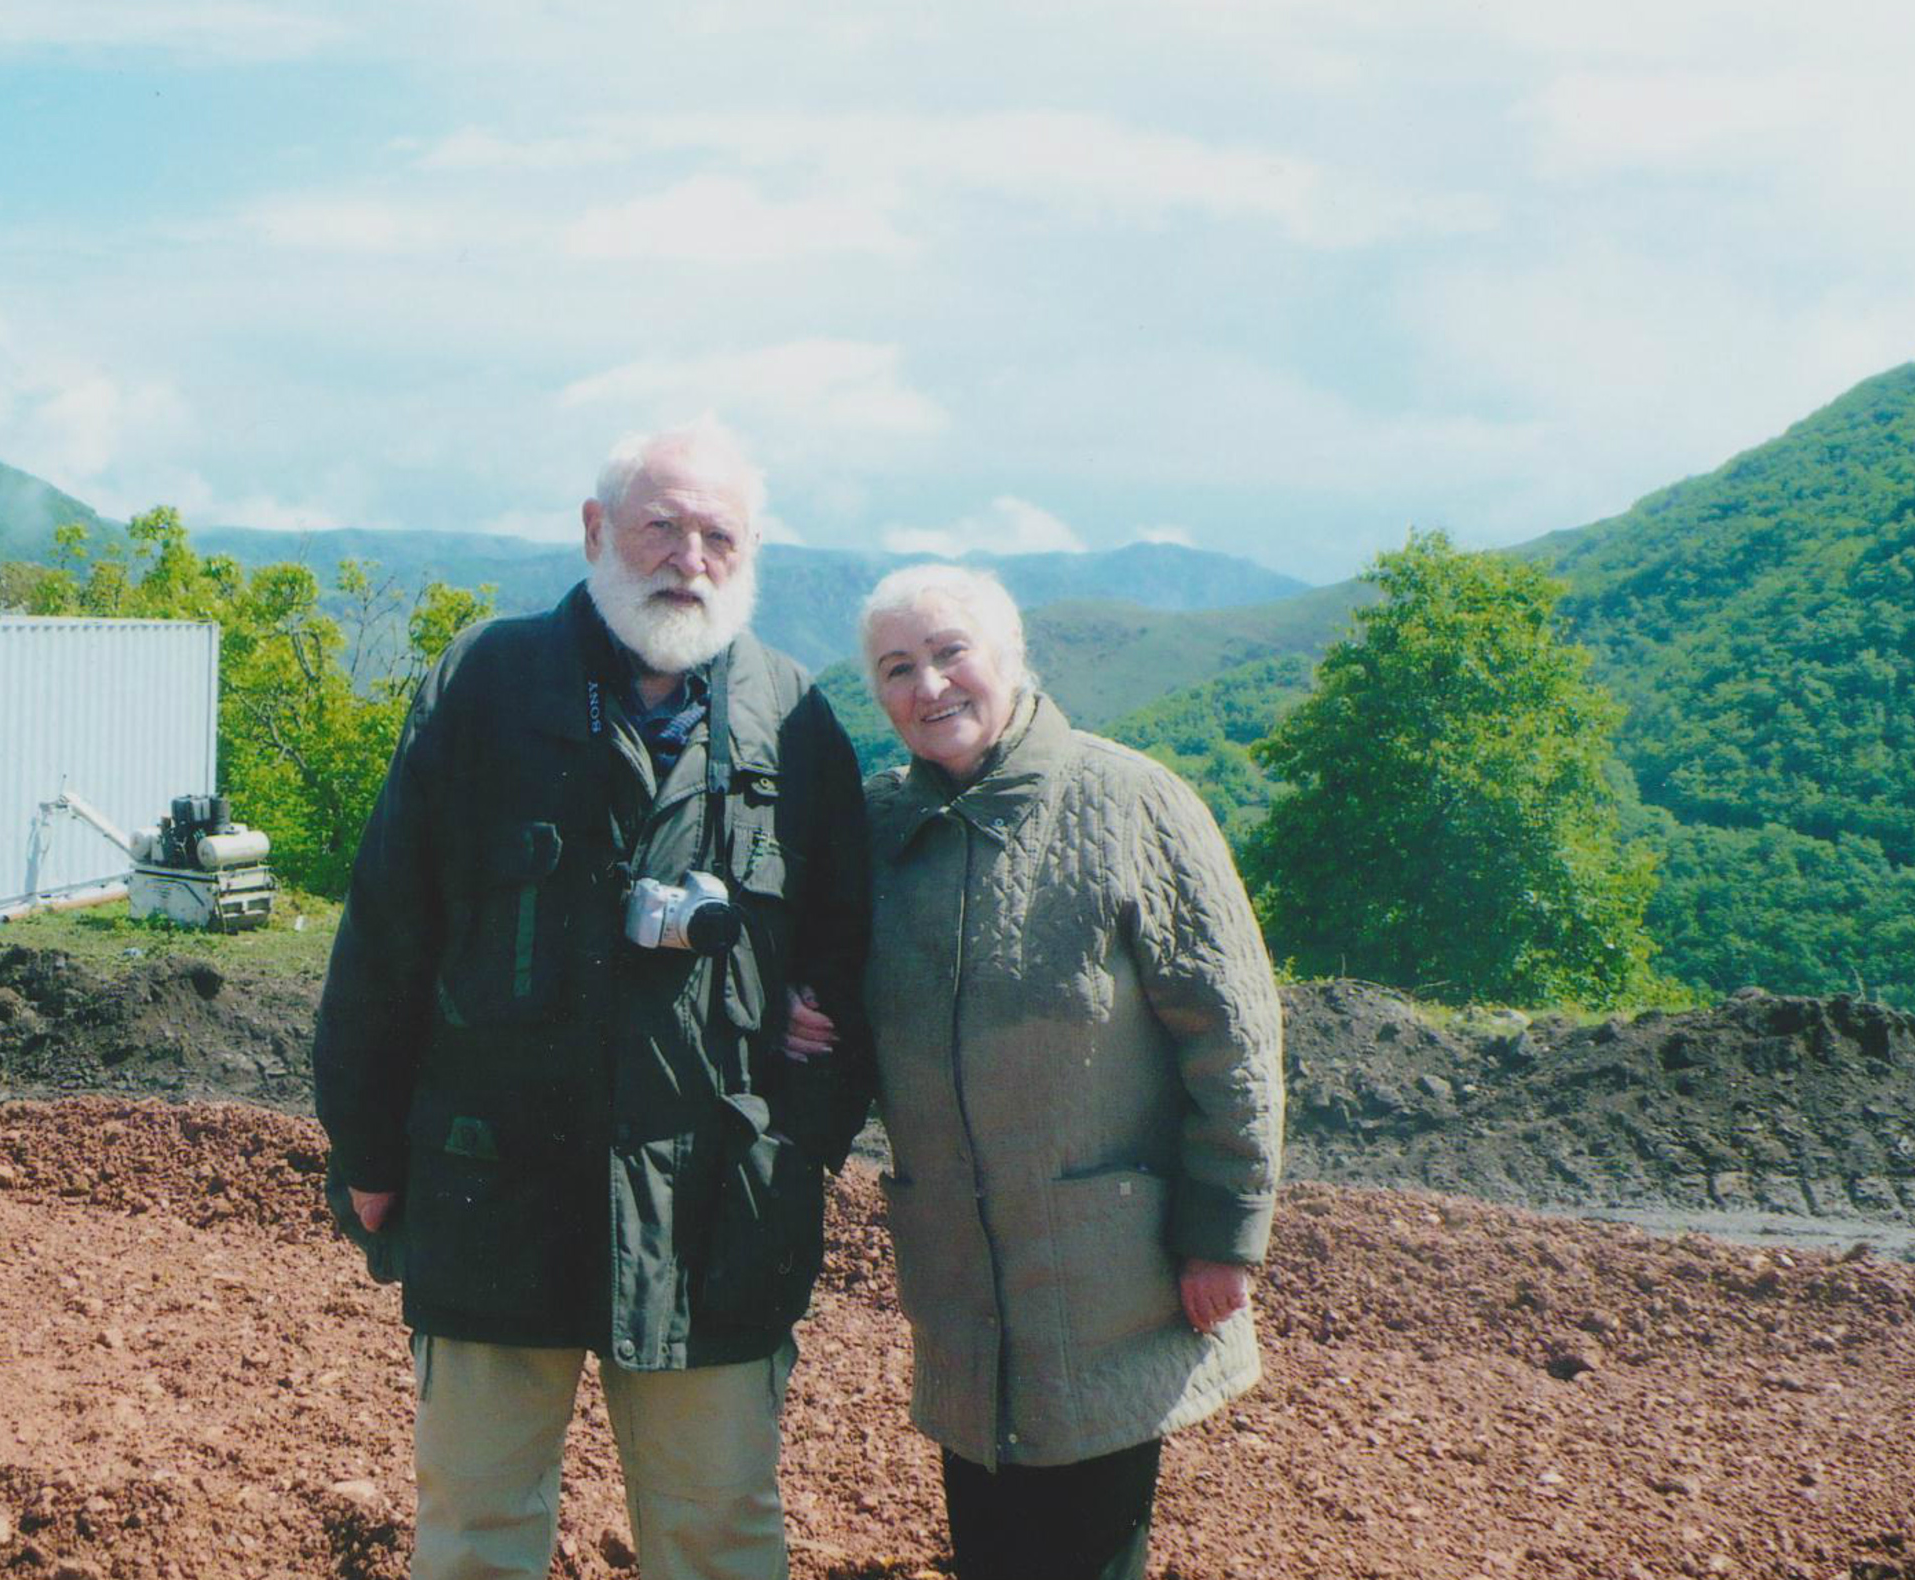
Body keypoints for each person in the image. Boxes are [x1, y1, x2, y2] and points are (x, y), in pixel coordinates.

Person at [311, 419, 873, 1580]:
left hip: (715, 1214)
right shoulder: (484, 682)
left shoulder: (792, 715)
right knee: (476, 1532)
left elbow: (849, 961)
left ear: (750, 553)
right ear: (595, 530)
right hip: (492, 1190)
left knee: (719, 1535)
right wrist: (366, 1149)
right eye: (662, 525)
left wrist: (799, 1147)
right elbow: (386, 933)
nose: (689, 558)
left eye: (719, 535)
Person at [832, 562, 1284, 1580]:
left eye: (950, 652)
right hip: (961, 1288)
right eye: (897, 668)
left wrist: (1224, 1231)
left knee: (1088, 1552)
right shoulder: (877, 829)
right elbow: (846, 1012)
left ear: (1010, 655)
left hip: (1108, 1278)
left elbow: (1233, 1033)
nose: (929, 685)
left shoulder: (1131, 802)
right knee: (989, 1549)